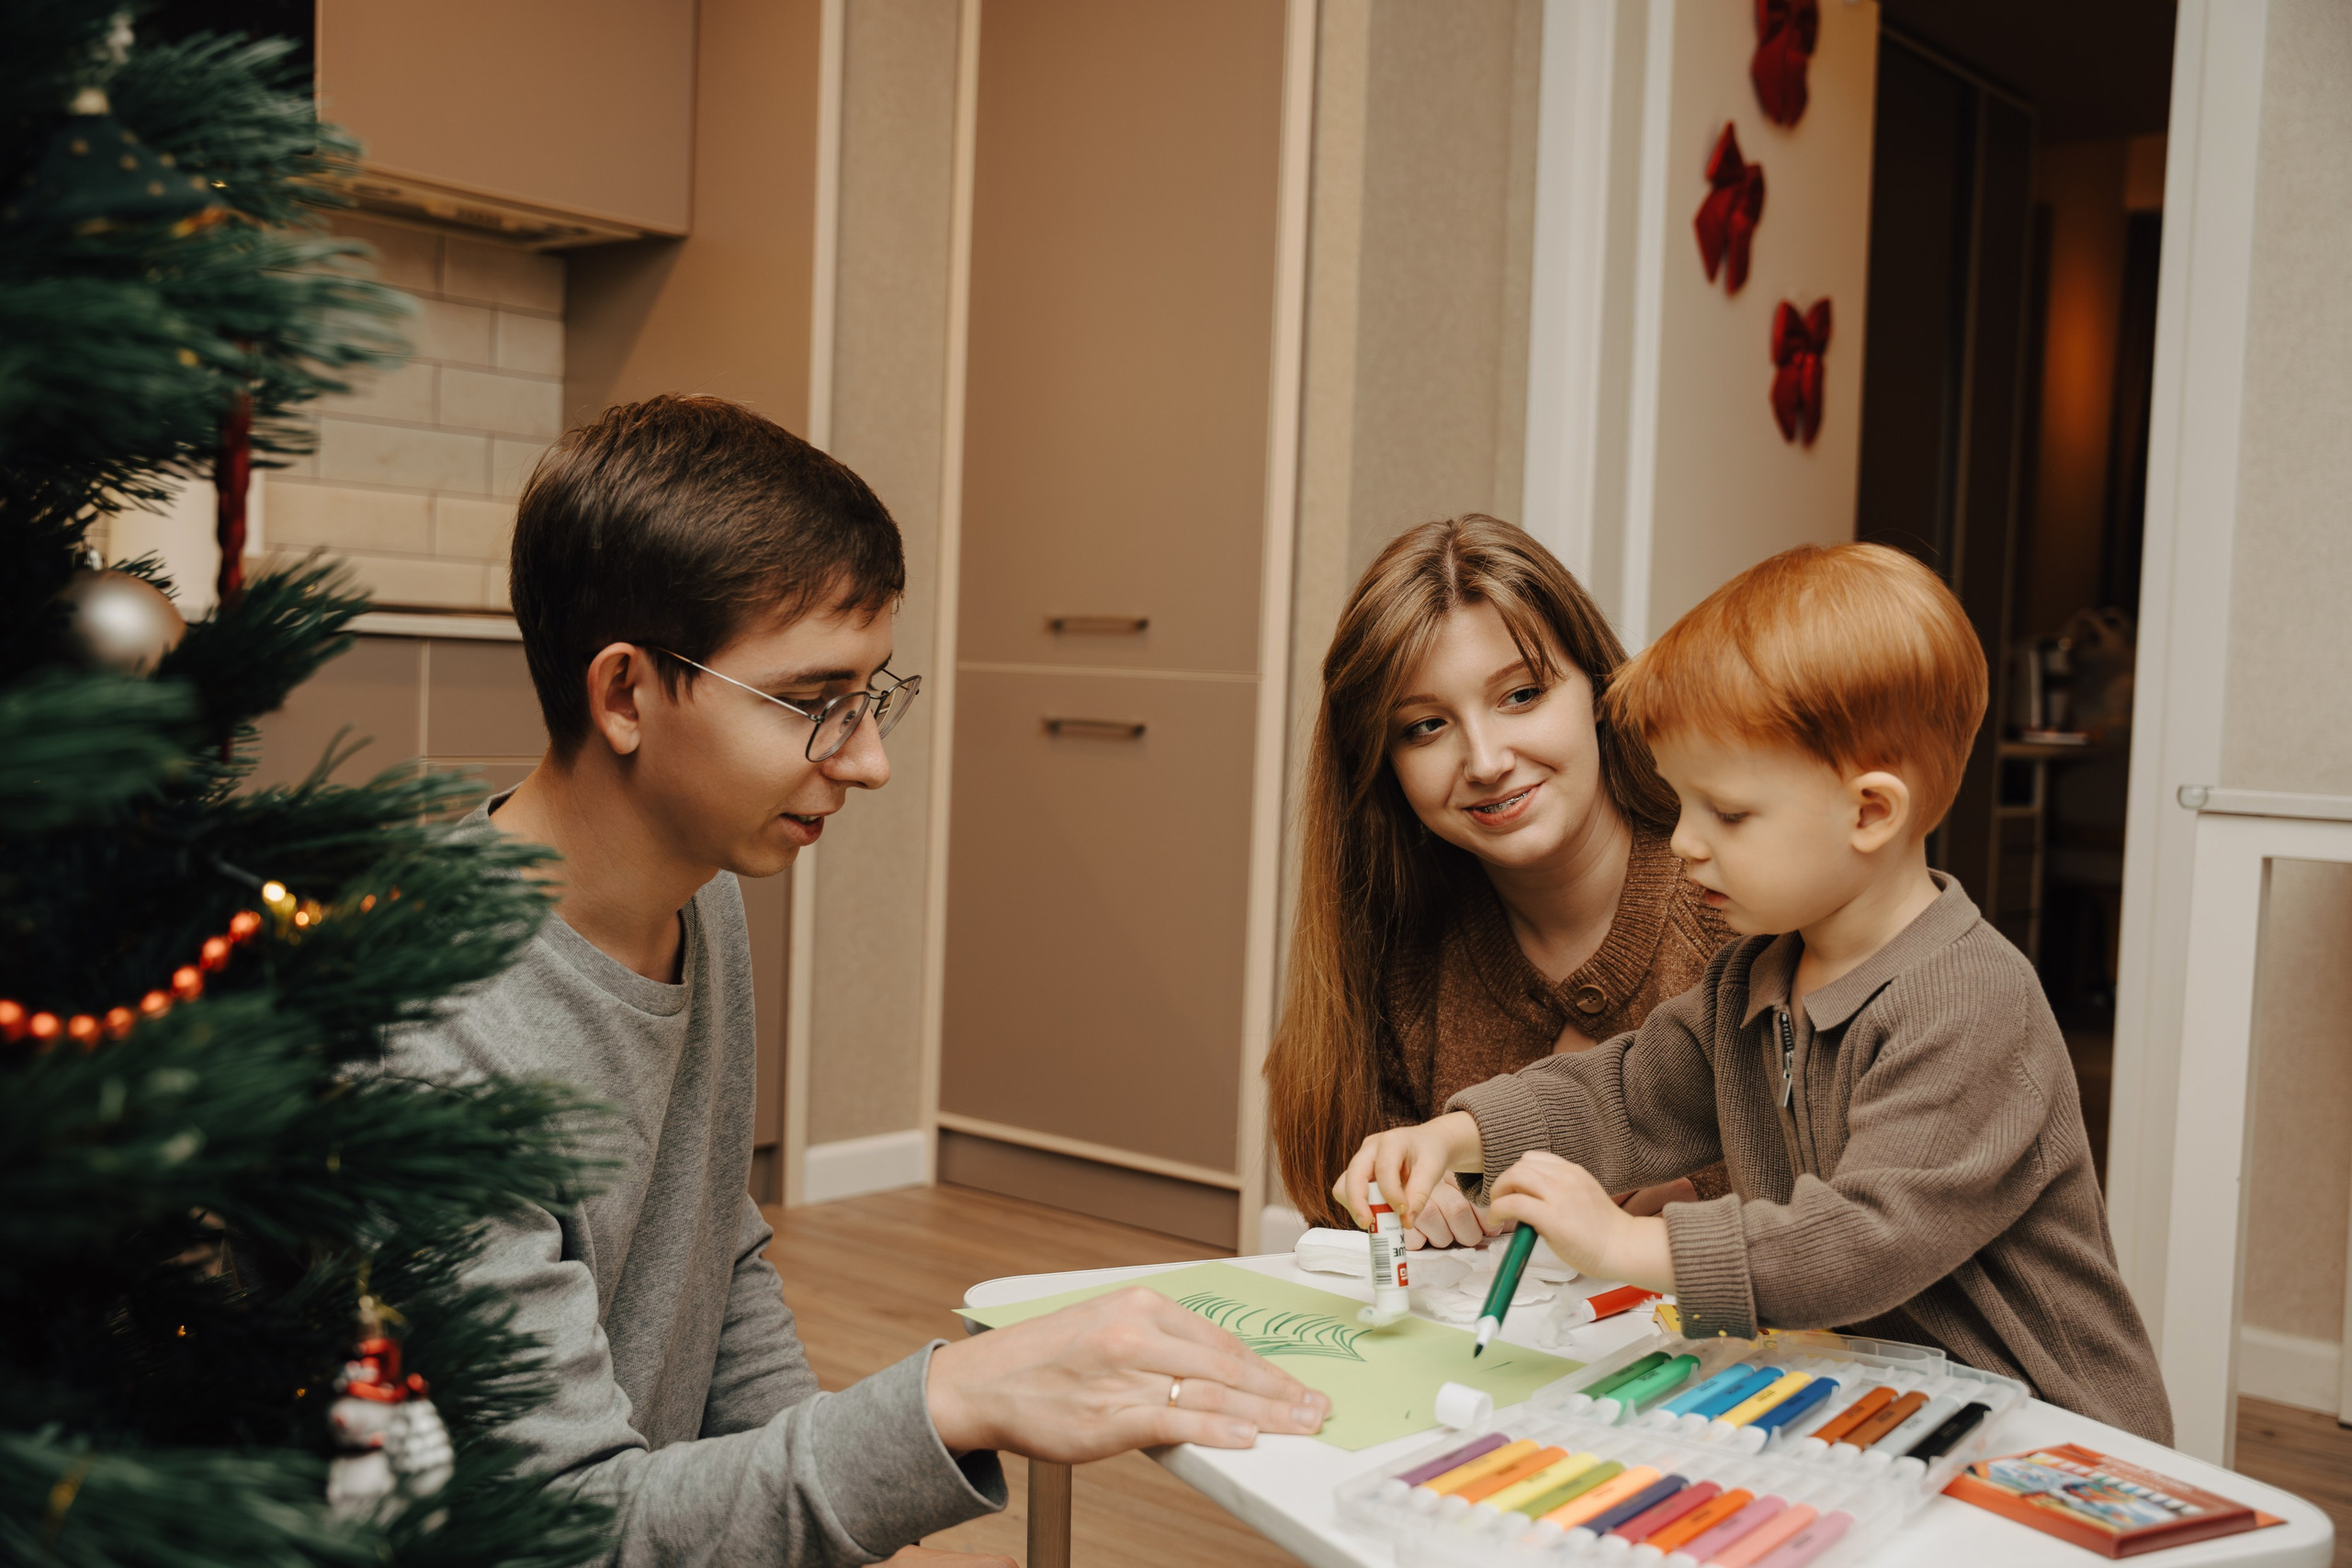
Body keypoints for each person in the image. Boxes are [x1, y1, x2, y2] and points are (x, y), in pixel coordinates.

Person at [389, 395, 1329, 1568]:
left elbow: (712, 1261)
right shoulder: (437, 1041)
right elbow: (571, 1532)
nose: (869, 761)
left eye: (872, 697)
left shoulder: (700, 896)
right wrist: (951, 1399)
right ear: (625, 694)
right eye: (815, 704)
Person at [1334, 542, 2170, 1440]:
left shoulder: (1970, 1003)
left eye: (1726, 814)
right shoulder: (1757, 974)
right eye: (1683, 801)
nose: (1685, 841)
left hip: (2054, 1442)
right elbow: (1625, 1094)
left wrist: (1622, 1247)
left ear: (1869, 812)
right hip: (1892, 1420)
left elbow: (1859, 1242)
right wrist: (1459, 1135)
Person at [1266, 516, 1731, 1249]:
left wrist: (1680, 1212)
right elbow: (1342, 1215)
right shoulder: (1399, 950)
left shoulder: (1741, 902)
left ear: (1600, 691)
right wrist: (1399, 1205)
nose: (1485, 760)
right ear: (1381, 764)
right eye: (1425, 726)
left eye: (1521, 695)